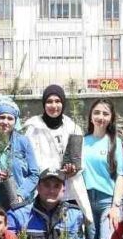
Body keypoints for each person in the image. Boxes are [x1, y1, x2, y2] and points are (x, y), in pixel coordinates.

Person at [22, 84, 89, 218]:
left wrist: (73, 169)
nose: (54, 105)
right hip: (43, 190)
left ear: (63, 103)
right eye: (49, 101)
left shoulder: (73, 128)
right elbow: (29, 159)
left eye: (57, 101)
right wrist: (50, 173)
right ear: (43, 104)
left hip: (68, 190)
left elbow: (80, 159)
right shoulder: (32, 129)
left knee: (68, 229)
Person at [82, 99, 123, 239]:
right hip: (86, 201)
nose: (101, 117)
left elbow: (120, 176)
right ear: (91, 116)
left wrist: (116, 205)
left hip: (107, 201)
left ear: (111, 118)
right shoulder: (82, 142)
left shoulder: (115, 142)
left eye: (105, 113)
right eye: (97, 112)